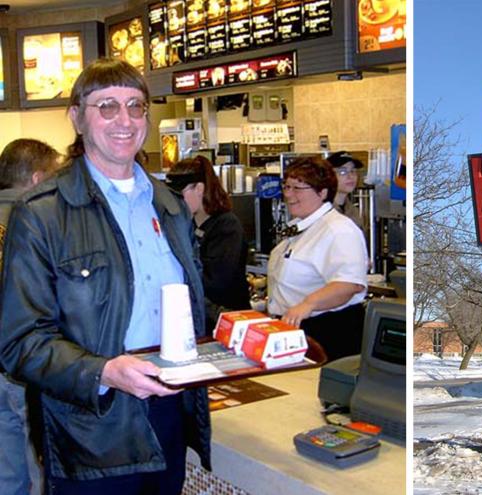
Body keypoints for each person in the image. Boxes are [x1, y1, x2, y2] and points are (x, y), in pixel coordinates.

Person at [0, 59, 211, 495]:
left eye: (136, 106)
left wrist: (239, 331)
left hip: (169, 414)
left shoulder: (171, 207)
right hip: (90, 430)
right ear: (77, 117)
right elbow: (20, 342)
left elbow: (182, 307)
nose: (125, 119)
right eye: (107, 106)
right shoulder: (41, 213)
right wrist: (105, 372)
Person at [0, 138, 61, 495]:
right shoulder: (39, 226)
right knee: (40, 470)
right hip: (26, 368)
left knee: (7, 475)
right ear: (38, 179)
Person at [267, 156, 368, 361]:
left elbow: (349, 284)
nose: (289, 195)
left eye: (297, 188)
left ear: (322, 193)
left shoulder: (339, 229)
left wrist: (308, 304)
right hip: (295, 330)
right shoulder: (302, 226)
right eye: (287, 187)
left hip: (329, 333)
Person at [166, 156, 251, 328]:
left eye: (180, 195)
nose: (175, 202)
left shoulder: (226, 226)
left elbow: (216, 283)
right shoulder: (188, 224)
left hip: (227, 321)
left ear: (199, 188)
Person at [326, 150, 366, 234]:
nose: (350, 176)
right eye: (343, 172)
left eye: (353, 171)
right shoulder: (322, 211)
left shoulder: (354, 212)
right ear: (330, 175)